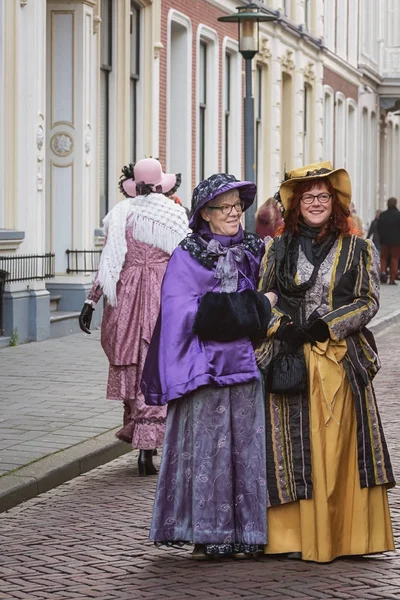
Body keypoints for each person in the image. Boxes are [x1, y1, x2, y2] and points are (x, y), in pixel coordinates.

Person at [256, 161, 395, 563]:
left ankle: (342, 536)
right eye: (307, 197)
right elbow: (265, 297)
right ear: (295, 205)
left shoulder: (358, 248)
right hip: (290, 364)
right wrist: (283, 328)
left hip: (340, 361)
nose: (315, 203)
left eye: (322, 197)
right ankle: (289, 537)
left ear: (334, 204)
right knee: (289, 450)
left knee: (337, 450)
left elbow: (368, 300)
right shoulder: (276, 248)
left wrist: (326, 326)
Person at [141, 173, 275, 559]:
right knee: (208, 452)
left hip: (248, 368)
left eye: (238, 206)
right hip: (205, 370)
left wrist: (258, 306)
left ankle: (247, 533)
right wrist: (252, 306)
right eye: (225, 207)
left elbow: (276, 295)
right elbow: (183, 312)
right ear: (205, 213)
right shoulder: (188, 253)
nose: (234, 214)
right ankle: (206, 533)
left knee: (245, 449)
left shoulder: (254, 249)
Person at [78, 158, 189, 476]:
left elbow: (109, 262)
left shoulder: (122, 214)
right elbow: (189, 259)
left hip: (126, 299)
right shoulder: (173, 214)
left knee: (136, 366)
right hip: (161, 296)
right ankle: (148, 449)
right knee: (157, 367)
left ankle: (143, 446)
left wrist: (91, 300)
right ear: (161, 185)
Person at [377, 197, 400, 285]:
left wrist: (381, 237)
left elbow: (378, 227)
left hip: (384, 241)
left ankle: (383, 272)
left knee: (383, 258)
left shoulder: (383, 215)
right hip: (396, 242)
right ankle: (392, 278)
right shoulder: (398, 215)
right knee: (394, 259)